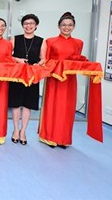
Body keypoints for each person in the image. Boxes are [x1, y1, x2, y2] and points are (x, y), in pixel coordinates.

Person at [38, 12, 84, 149]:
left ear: (74, 27)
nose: (66, 27)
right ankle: (49, 137)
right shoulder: (50, 41)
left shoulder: (78, 43)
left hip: (69, 80)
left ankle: (63, 139)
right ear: (59, 26)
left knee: (67, 109)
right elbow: (45, 60)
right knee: (52, 107)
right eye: (64, 25)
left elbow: (76, 60)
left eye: (70, 25)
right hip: (53, 79)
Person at [8, 14, 44, 145]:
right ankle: (16, 130)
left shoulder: (41, 41)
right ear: (22, 25)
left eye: (31, 23)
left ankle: (23, 131)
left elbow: (43, 58)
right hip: (17, 75)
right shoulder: (15, 39)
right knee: (16, 104)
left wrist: (38, 64)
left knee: (28, 104)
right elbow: (7, 55)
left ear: (36, 26)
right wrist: (17, 60)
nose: (28, 26)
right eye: (26, 23)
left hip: (32, 76)